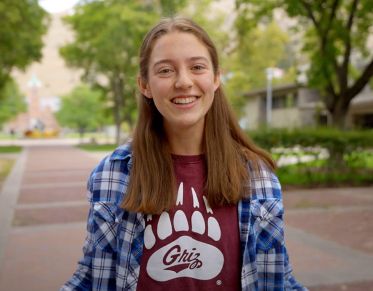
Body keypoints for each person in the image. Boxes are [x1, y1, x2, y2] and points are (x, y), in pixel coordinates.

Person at [61, 17, 307, 291]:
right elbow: (93, 278)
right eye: (165, 71)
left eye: (197, 67)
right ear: (145, 85)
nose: (184, 81)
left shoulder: (257, 177)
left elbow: (278, 280)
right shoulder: (113, 175)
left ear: (215, 78)